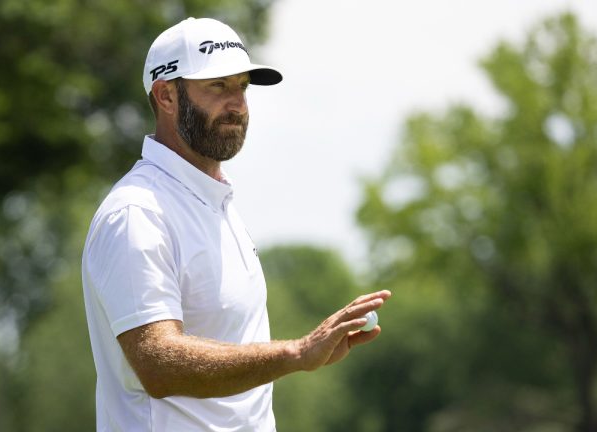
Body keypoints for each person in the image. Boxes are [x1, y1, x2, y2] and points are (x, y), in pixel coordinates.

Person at [81, 17, 392, 432]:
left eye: (242, 87)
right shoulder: (137, 213)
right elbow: (157, 364)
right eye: (217, 86)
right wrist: (296, 353)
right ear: (166, 95)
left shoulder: (214, 203)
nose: (238, 105)